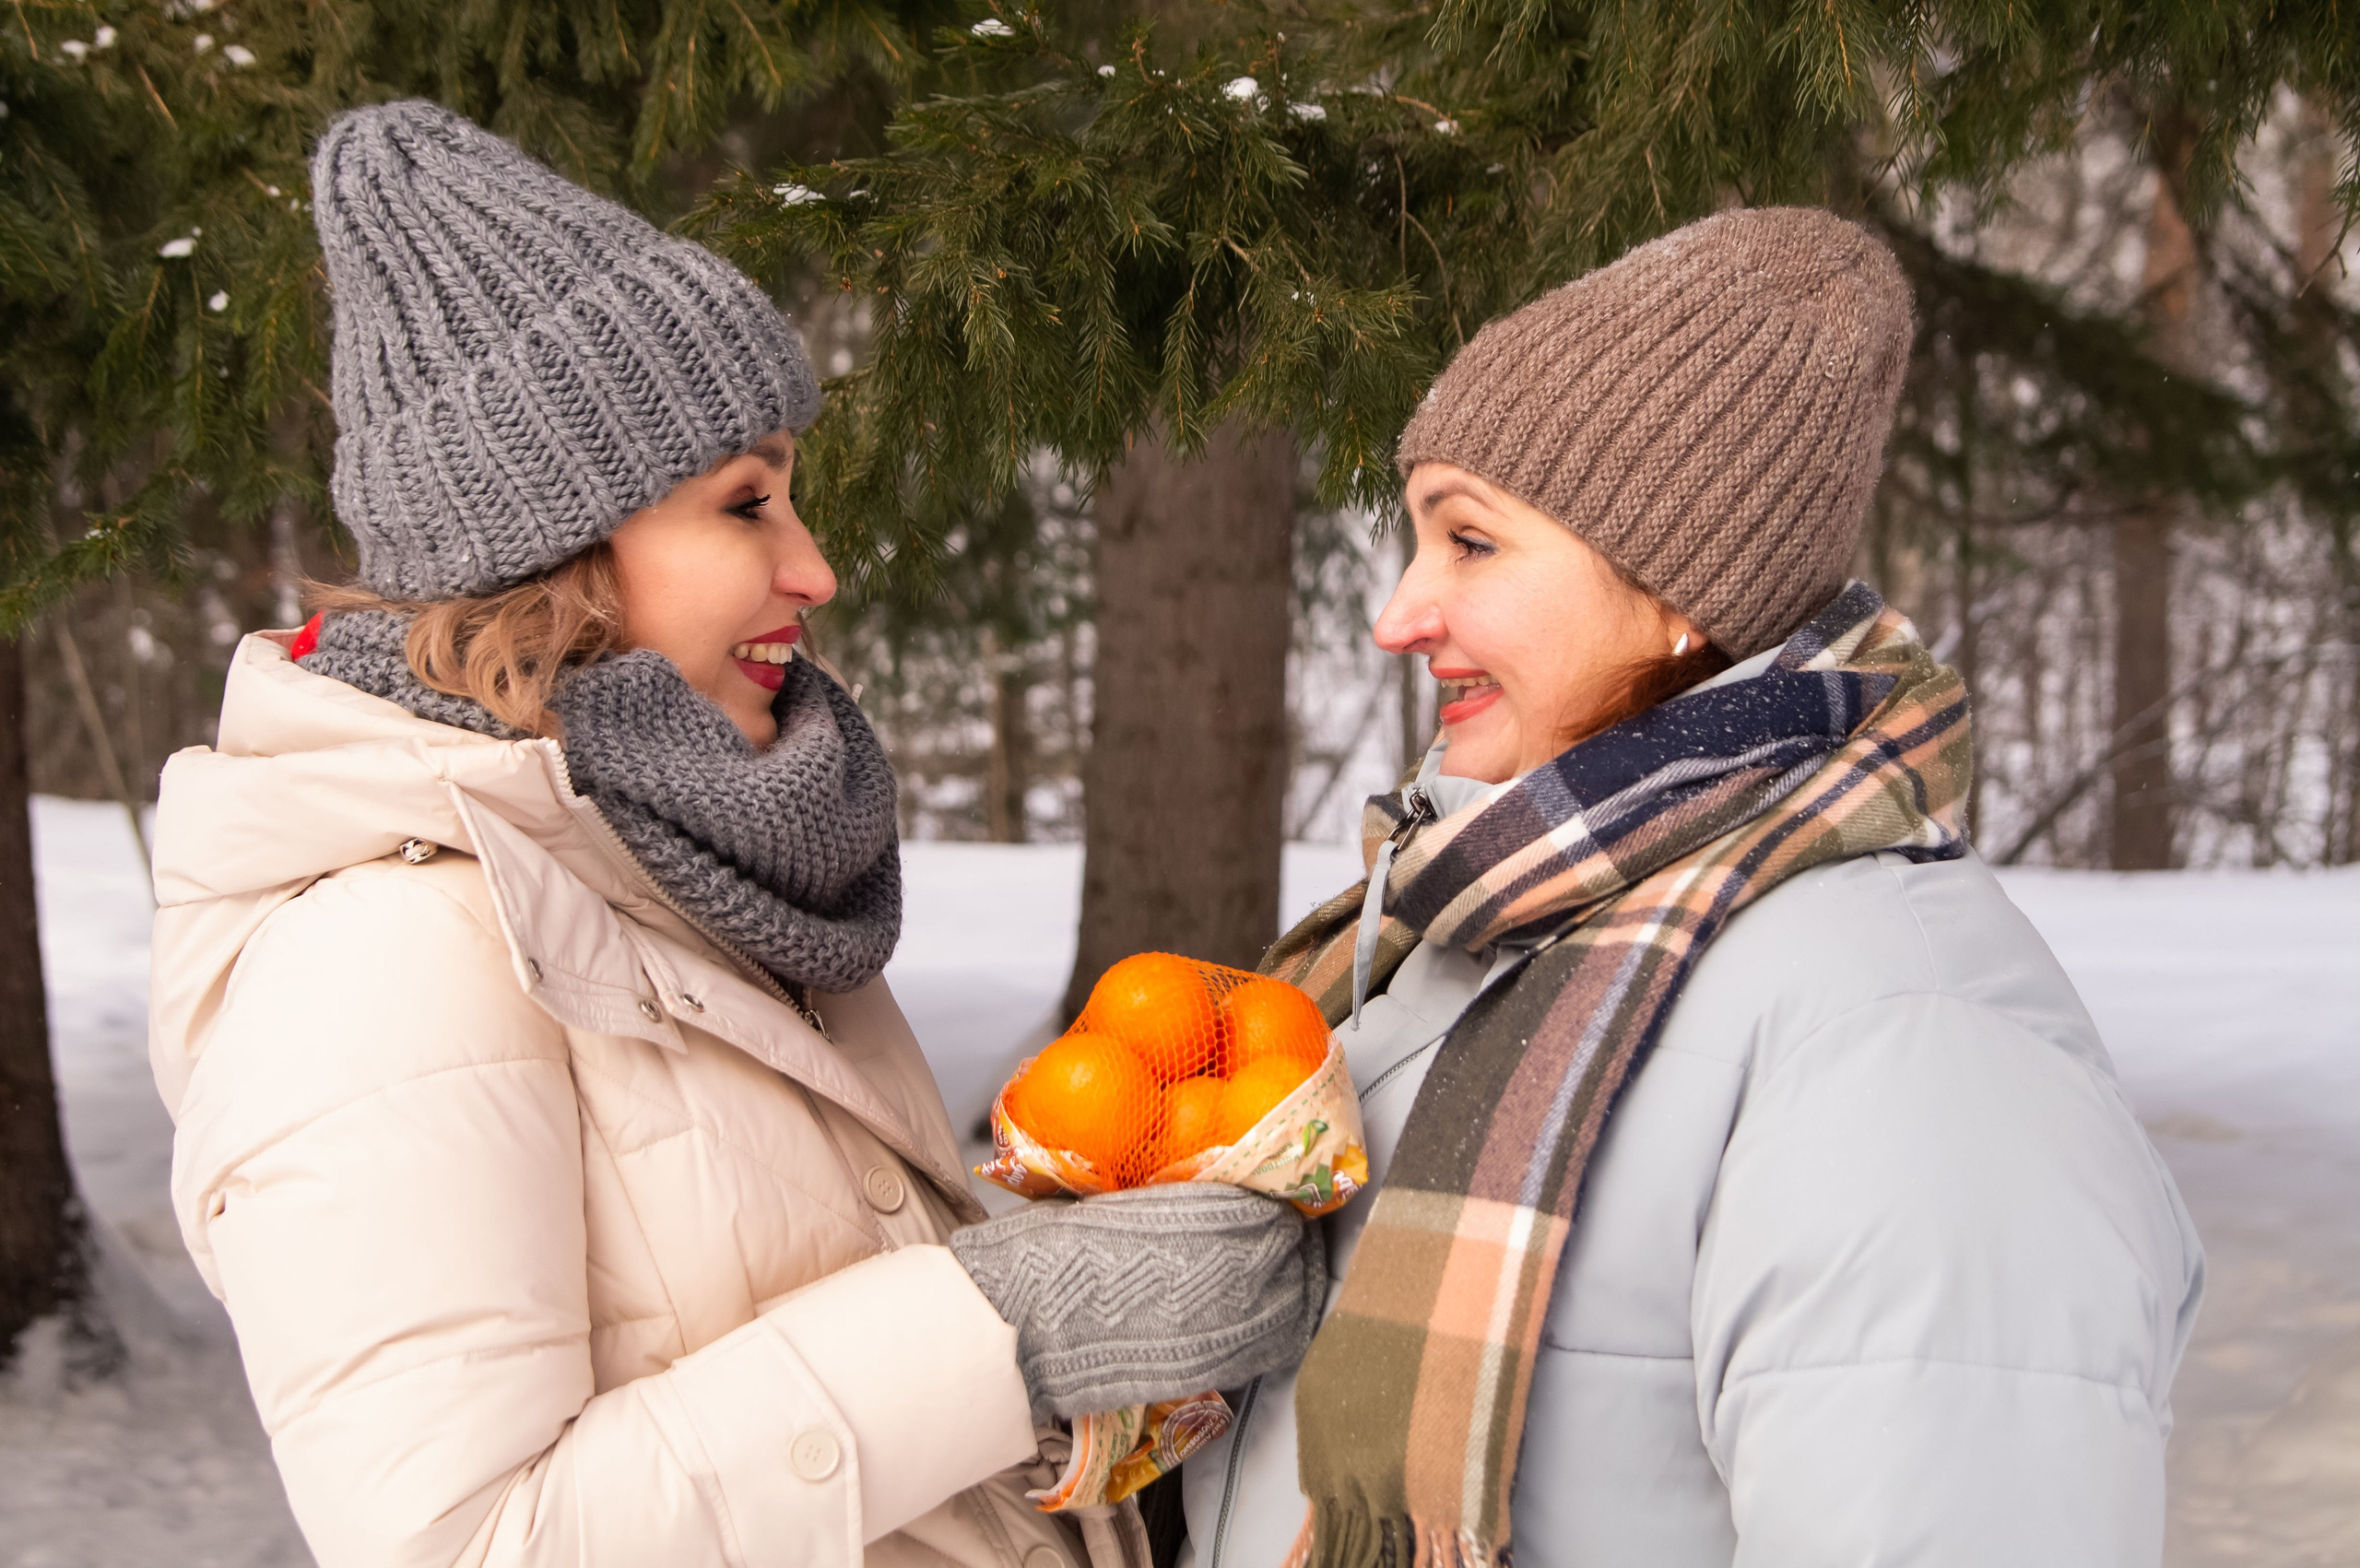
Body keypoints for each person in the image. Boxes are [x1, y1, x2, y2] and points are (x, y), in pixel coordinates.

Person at [148, 100, 1324, 1568]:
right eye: (747, 503)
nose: (813, 567)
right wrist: (997, 1329)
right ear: (556, 547)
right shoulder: (386, 953)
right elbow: (468, 1545)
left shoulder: (689, 856)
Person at [1180, 207, 2204, 1568]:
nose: (1401, 614)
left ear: (1680, 591)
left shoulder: (1908, 1045)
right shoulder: (1470, 935)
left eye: (1470, 541)